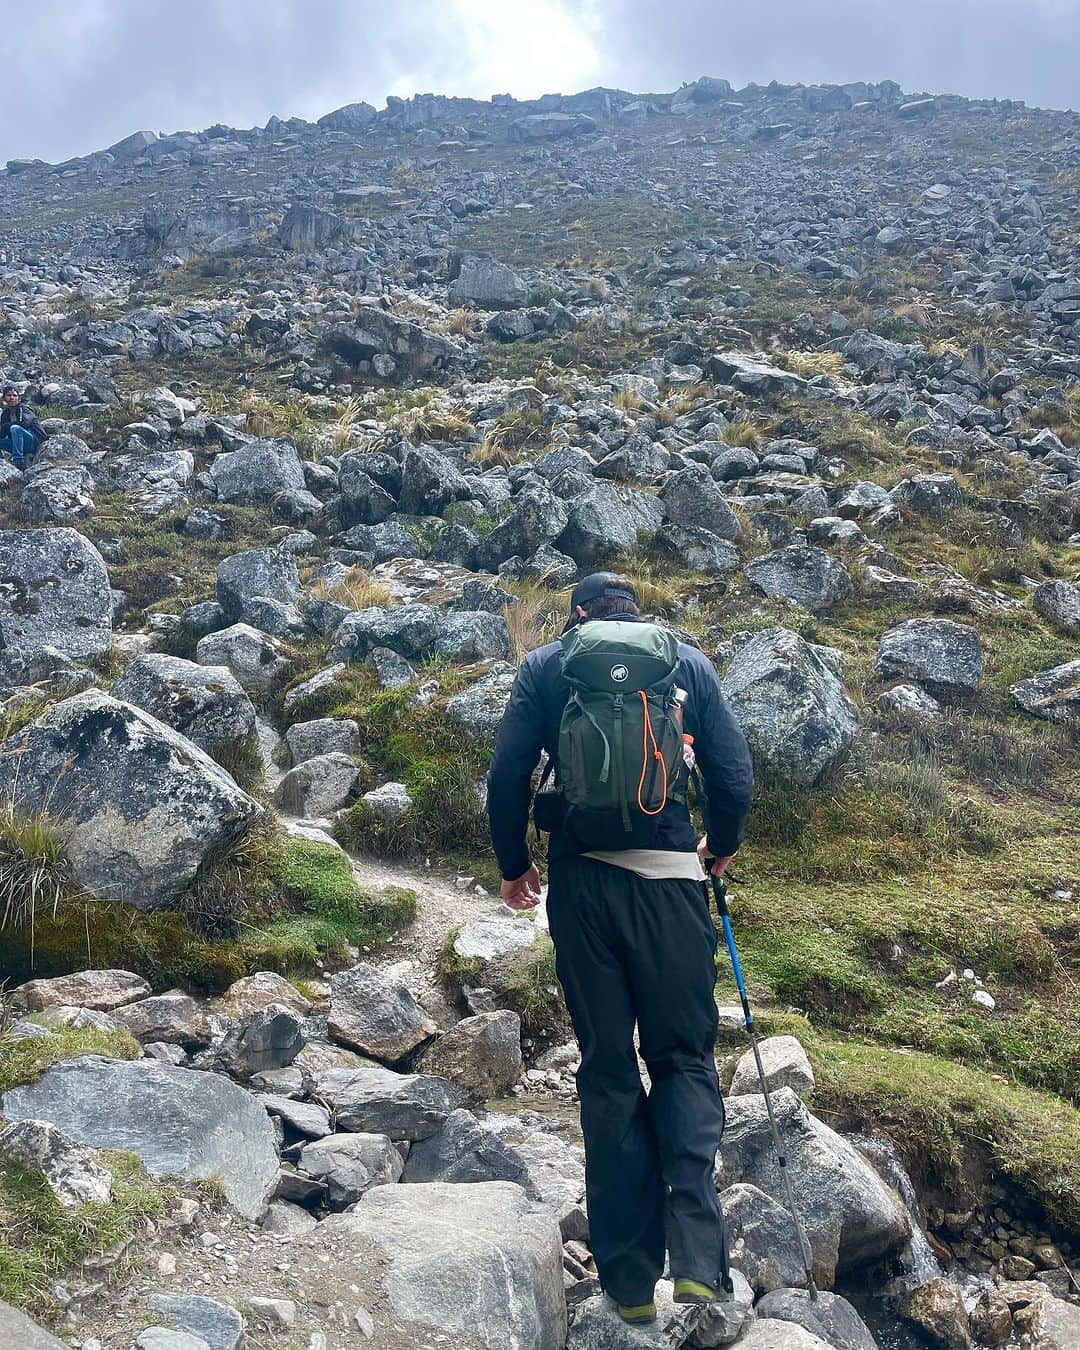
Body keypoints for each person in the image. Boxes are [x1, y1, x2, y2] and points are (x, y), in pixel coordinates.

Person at [487, 573, 754, 1325]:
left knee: (607, 1070)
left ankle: (628, 1286)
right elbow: (733, 775)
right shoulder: (685, 662)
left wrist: (515, 865)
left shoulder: (547, 666)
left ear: (577, 616)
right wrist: (721, 846)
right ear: (639, 611)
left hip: (584, 889)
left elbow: (507, 777)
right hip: (672, 883)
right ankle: (702, 1268)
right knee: (684, 1061)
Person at [0, 386, 48, 469]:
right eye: (9, 395)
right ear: (4, 398)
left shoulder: (24, 409)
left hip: (34, 443)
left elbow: (24, 424)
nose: (11, 398)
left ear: (19, 398)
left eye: (14, 395)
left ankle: (18, 461)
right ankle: (2, 463)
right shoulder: (5, 414)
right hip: (18, 444)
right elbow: (2, 434)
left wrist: (5, 426)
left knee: (15, 428)